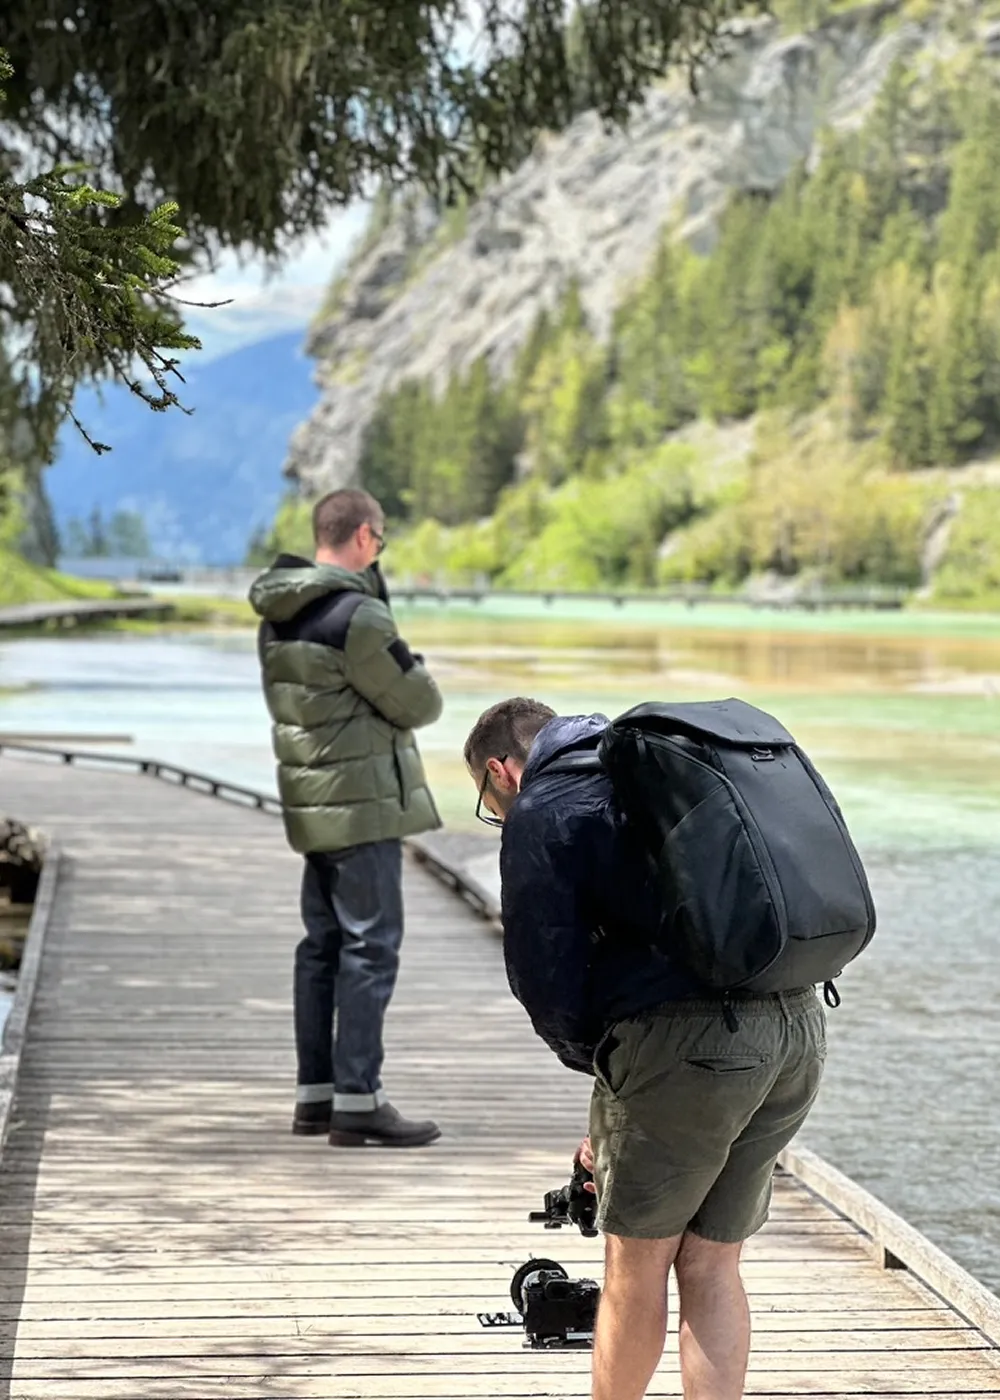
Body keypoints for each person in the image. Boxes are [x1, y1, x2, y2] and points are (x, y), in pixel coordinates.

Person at [463, 697, 827, 1400]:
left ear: (504, 770)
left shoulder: (547, 807)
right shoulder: (662, 771)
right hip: (796, 1023)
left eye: (488, 797)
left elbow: (547, 979)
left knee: (636, 1266)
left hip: (688, 1048)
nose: (499, 809)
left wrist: (609, 1078)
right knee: (714, 1265)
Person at [250, 488, 443, 1148]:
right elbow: (419, 702)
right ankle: (360, 1099)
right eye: (380, 542)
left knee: (322, 948)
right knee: (371, 946)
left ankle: (316, 1097)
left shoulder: (277, 615)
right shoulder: (359, 617)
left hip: (313, 808)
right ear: (363, 537)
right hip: (361, 808)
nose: (379, 551)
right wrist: (401, 647)